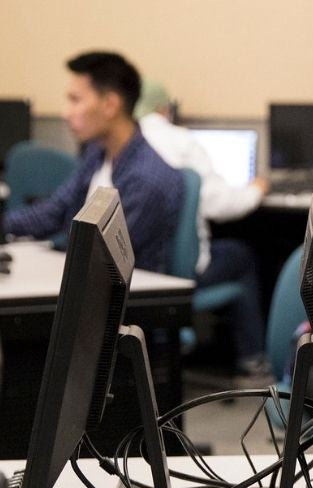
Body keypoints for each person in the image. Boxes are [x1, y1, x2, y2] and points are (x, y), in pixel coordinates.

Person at [134, 80, 274, 383]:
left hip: (136, 272)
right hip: (181, 272)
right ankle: (252, 361)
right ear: (165, 108)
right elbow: (219, 205)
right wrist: (256, 190)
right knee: (244, 254)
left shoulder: (125, 146)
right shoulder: (183, 142)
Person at [1, 51, 181, 274]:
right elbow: (55, 210)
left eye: (75, 100)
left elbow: (104, 257)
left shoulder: (146, 178)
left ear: (110, 105)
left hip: (125, 297)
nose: (66, 113)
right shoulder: (98, 153)